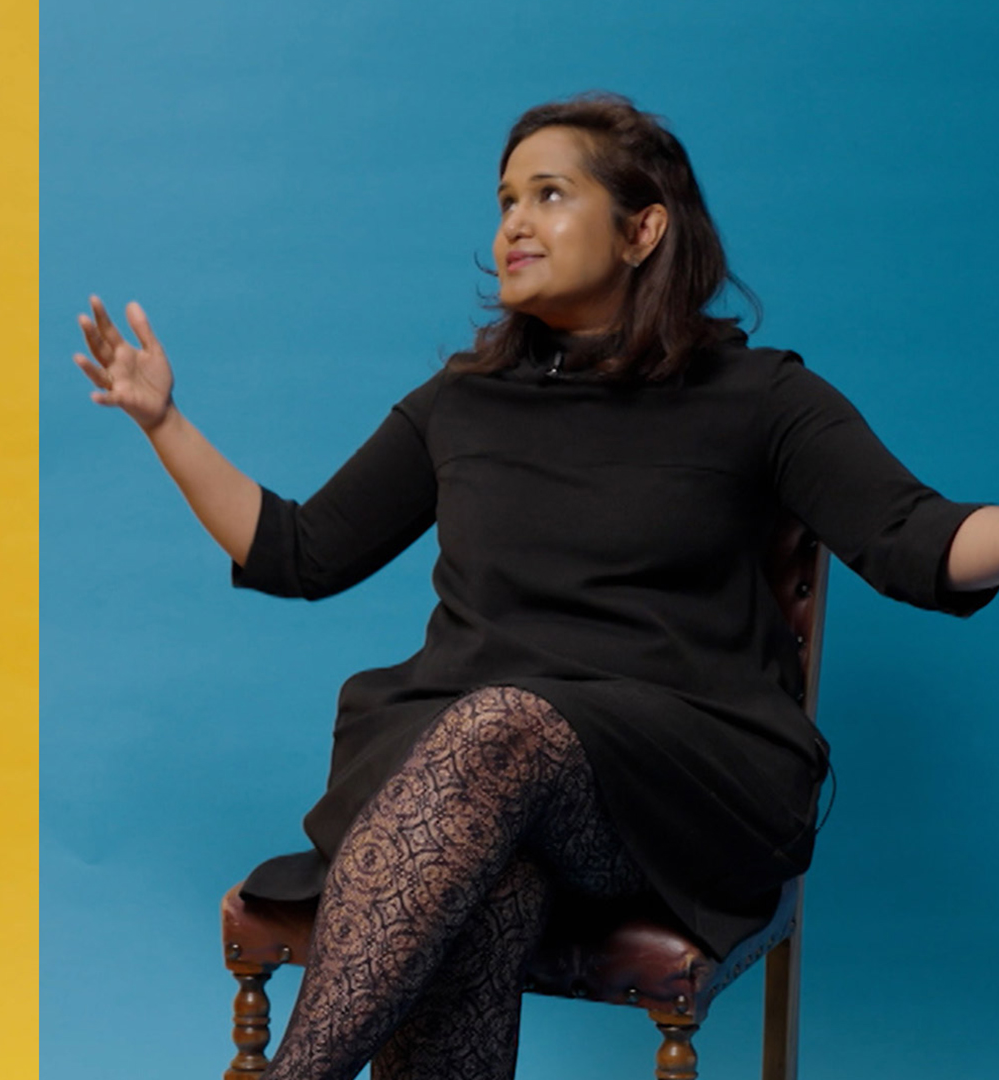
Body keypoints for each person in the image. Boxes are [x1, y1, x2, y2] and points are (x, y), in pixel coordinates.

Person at [73, 92, 999, 1080]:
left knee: (497, 725)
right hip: (471, 781)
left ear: (644, 229)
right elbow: (302, 550)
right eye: (506, 198)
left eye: (550, 195)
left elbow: (918, 541)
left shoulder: (762, 398)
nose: (513, 222)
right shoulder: (461, 405)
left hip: (667, 784)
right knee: (491, 875)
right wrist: (164, 424)